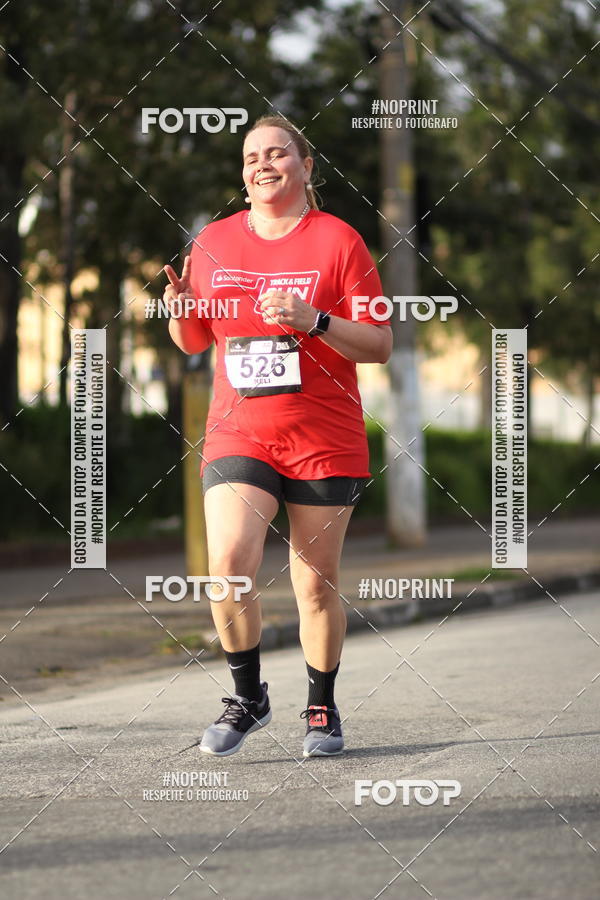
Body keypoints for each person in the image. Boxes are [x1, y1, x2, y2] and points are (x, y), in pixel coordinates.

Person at [163, 114, 391, 758]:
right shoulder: (212, 243)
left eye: (277, 154)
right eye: (251, 157)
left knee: (314, 583)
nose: (262, 165)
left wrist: (315, 321)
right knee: (229, 564)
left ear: (306, 166)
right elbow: (194, 341)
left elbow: (379, 344)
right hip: (240, 431)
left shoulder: (339, 242)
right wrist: (182, 314)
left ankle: (321, 707)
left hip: (324, 436)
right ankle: (247, 696)